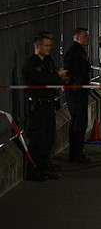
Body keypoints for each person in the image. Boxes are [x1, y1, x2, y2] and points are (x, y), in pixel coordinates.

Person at [22, 33, 68, 181]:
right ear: (38, 46)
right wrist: (57, 76)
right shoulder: (32, 64)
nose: (48, 49)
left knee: (49, 137)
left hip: (49, 103)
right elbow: (43, 80)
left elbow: (52, 77)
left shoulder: (48, 61)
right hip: (38, 105)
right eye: (46, 46)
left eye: (50, 46)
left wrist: (60, 80)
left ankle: (44, 166)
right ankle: (33, 170)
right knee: (38, 138)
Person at [63, 27, 92, 164]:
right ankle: (76, 153)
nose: (88, 38)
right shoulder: (75, 52)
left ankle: (77, 151)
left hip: (79, 91)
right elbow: (73, 70)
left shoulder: (78, 51)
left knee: (79, 121)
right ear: (77, 37)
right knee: (79, 121)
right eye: (85, 36)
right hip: (76, 92)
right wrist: (77, 82)